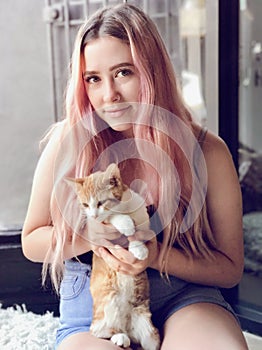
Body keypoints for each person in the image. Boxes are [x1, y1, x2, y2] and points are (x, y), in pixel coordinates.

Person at [22, 3, 248, 350]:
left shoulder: (206, 151)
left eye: (124, 72)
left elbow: (230, 268)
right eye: (93, 79)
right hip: (97, 306)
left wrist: (156, 255)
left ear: (152, 71)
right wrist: (90, 235)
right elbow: (31, 241)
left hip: (181, 294)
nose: (108, 94)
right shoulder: (68, 142)